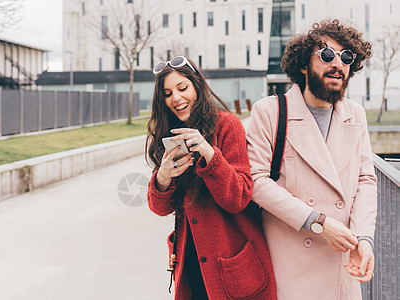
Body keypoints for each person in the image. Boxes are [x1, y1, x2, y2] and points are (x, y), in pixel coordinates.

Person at [246, 19, 377, 299]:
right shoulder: (270, 112)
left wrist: (364, 239)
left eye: (346, 57)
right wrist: (317, 222)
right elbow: (255, 182)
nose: (337, 64)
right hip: (291, 269)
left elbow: (366, 180)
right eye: (327, 55)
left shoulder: (356, 115)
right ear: (304, 65)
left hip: (343, 264)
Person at [146, 56, 277, 300]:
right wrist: (163, 177)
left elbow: (238, 198)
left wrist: (209, 153)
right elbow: (160, 208)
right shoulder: (169, 135)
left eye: (182, 88)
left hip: (233, 263)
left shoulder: (227, 125)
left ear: (197, 85)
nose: (176, 98)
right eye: (167, 93)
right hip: (192, 265)